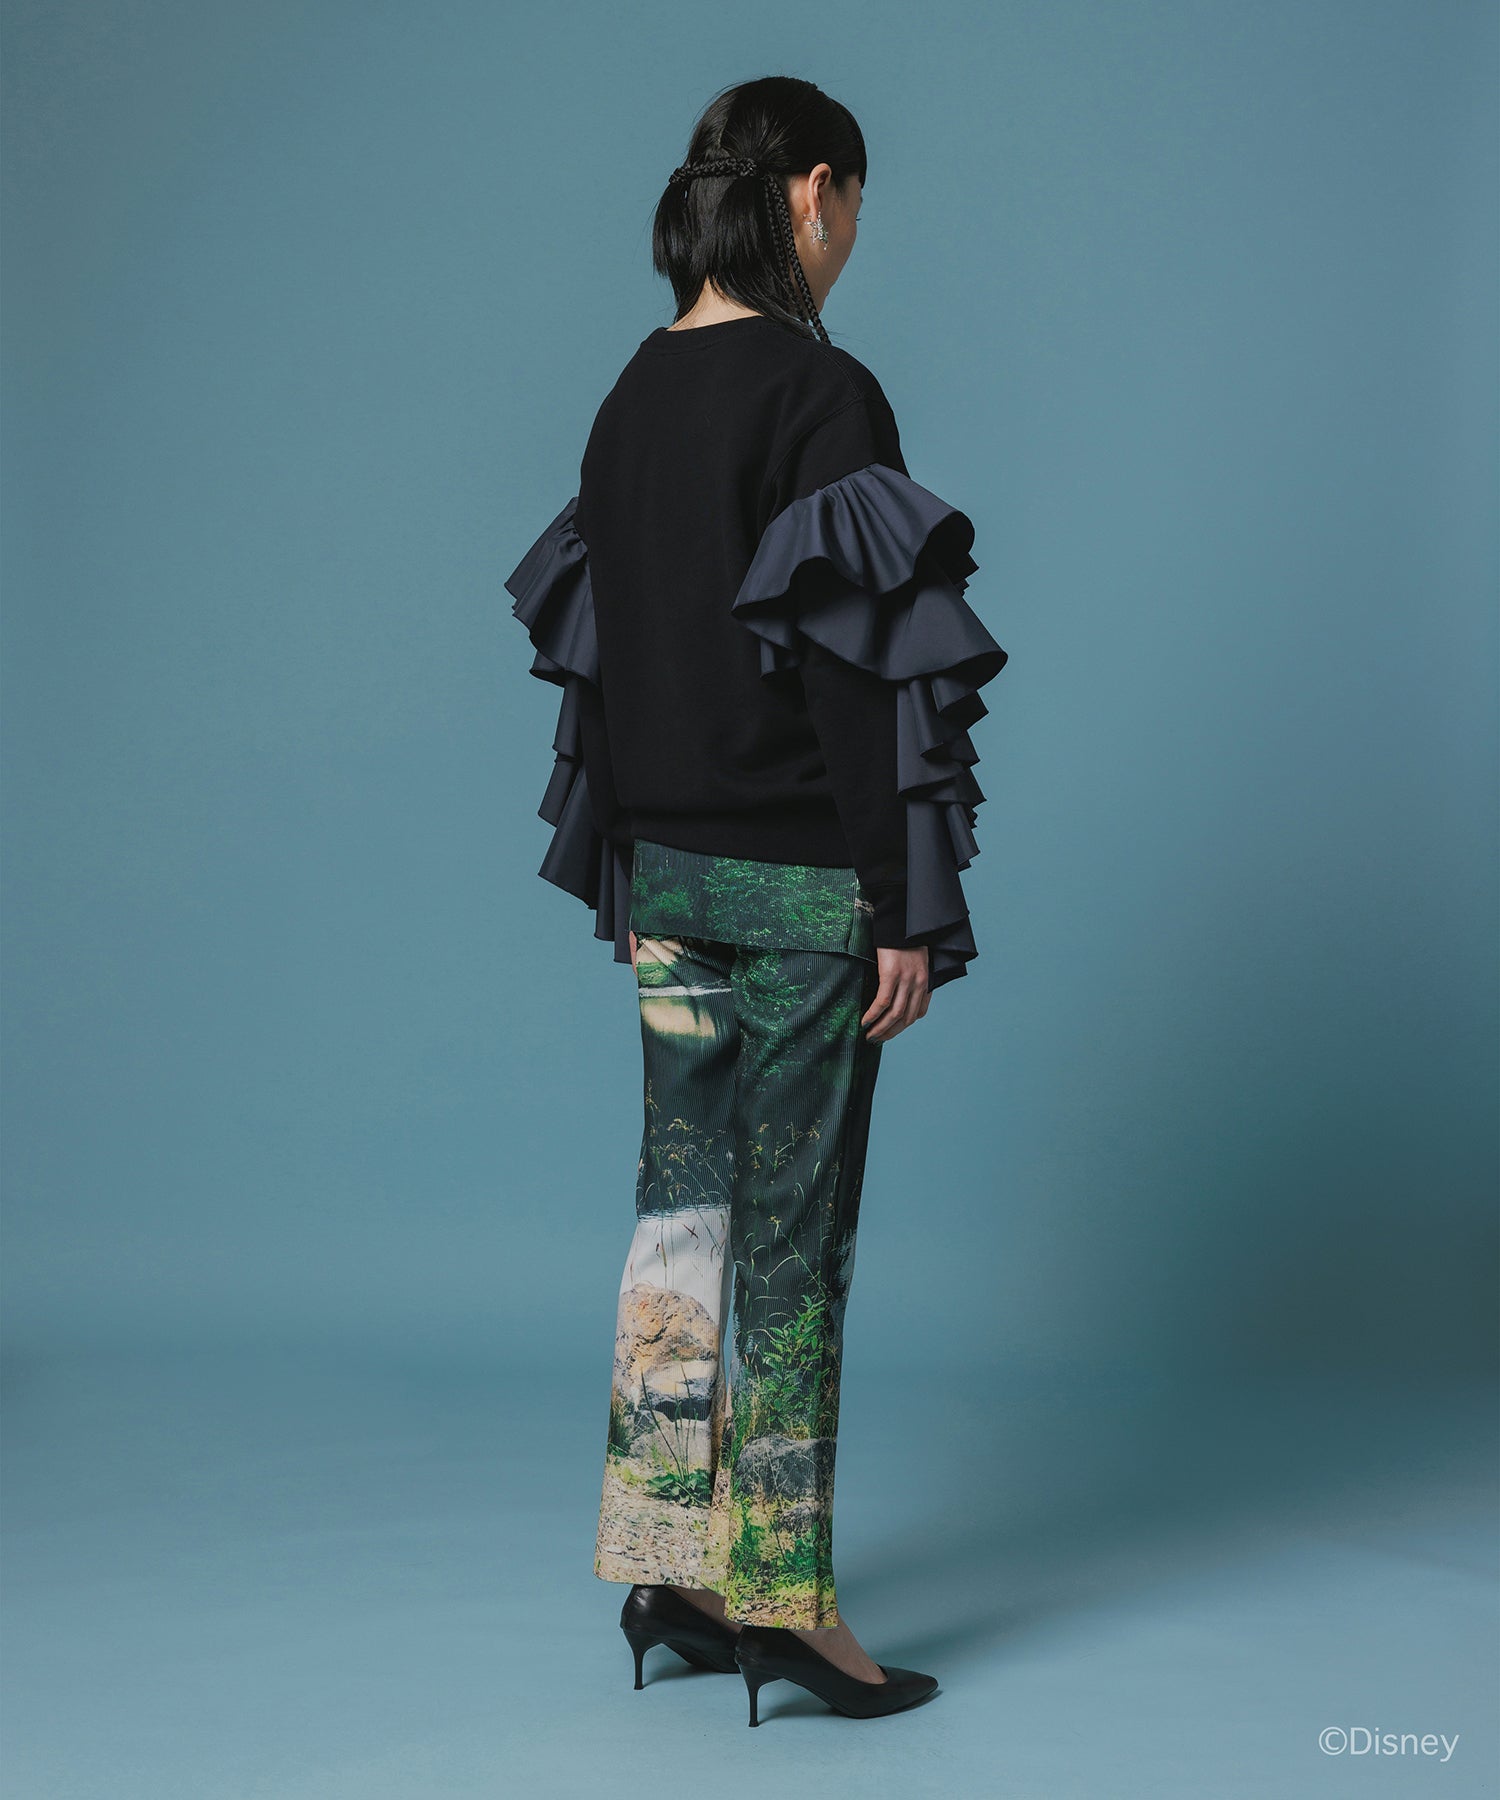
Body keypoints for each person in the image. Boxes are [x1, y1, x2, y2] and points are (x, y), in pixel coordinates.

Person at [505, 75, 1007, 1726]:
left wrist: (642, 862)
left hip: (668, 875)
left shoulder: (629, 396)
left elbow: (604, 662)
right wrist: (903, 898)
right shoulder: (820, 390)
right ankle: (787, 1598)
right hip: (800, 884)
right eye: (852, 207)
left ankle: (671, 1565)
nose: (851, 236)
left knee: (682, 1225)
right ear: (812, 193)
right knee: (791, 1244)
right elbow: (862, 674)